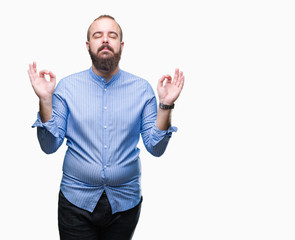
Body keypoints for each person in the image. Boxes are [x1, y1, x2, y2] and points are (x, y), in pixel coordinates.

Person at [28, 15, 184, 240]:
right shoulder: (66, 88)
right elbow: (49, 146)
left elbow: (156, 148)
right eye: (97, 35)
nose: (105, 40)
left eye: (112, 35)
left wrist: (166, 105)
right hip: (76, 202)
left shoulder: (142, 89)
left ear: (121, 46)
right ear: (88, 45)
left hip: (125, 203)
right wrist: (45, 100)